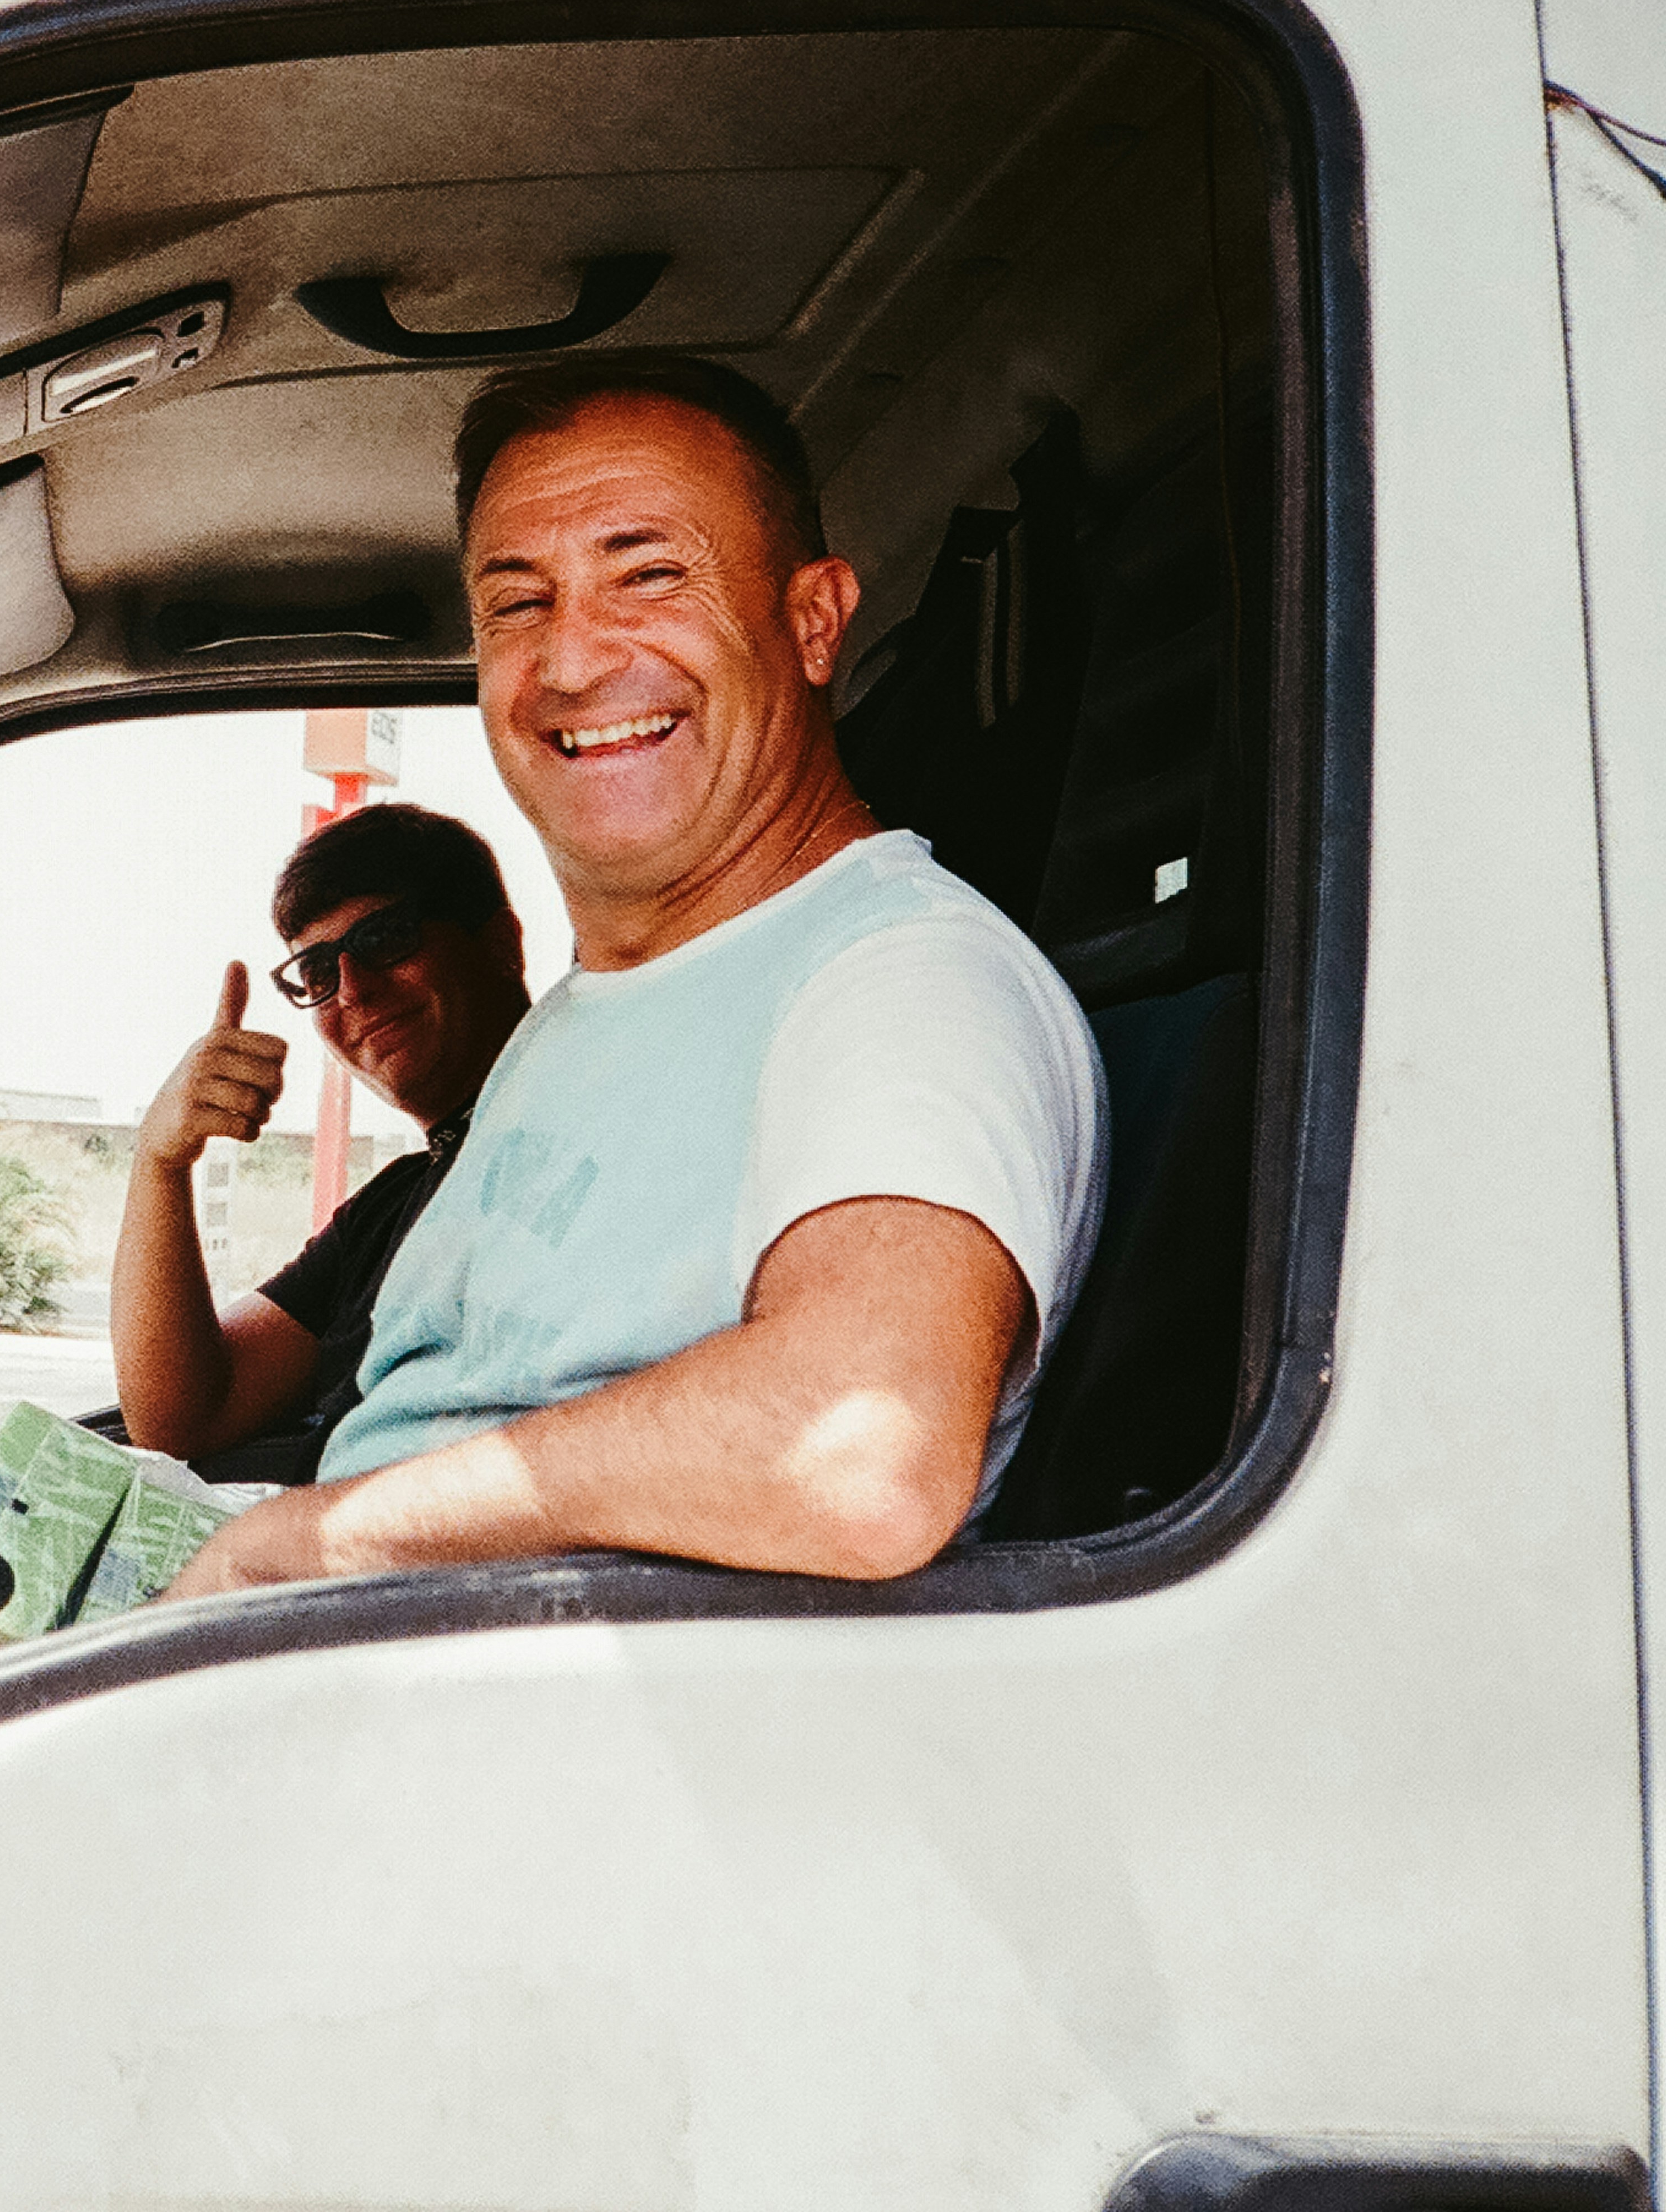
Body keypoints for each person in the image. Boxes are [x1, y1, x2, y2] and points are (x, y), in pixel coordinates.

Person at [167, 354, 1105, 1598]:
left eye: (647, 577)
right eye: (516, 605)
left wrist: (292, 1548)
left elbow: (856, 1453)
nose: (568, 663)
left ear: (813, 622)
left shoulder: (901, 980)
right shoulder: (573, 1020)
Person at [109, 805, 534, 1482]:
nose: (353, 990)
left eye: (385, 938)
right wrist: (160, 1163)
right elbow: (179, 1416)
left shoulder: (586, 1143)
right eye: (316, 973)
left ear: (500, 944)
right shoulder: (391, 1207)